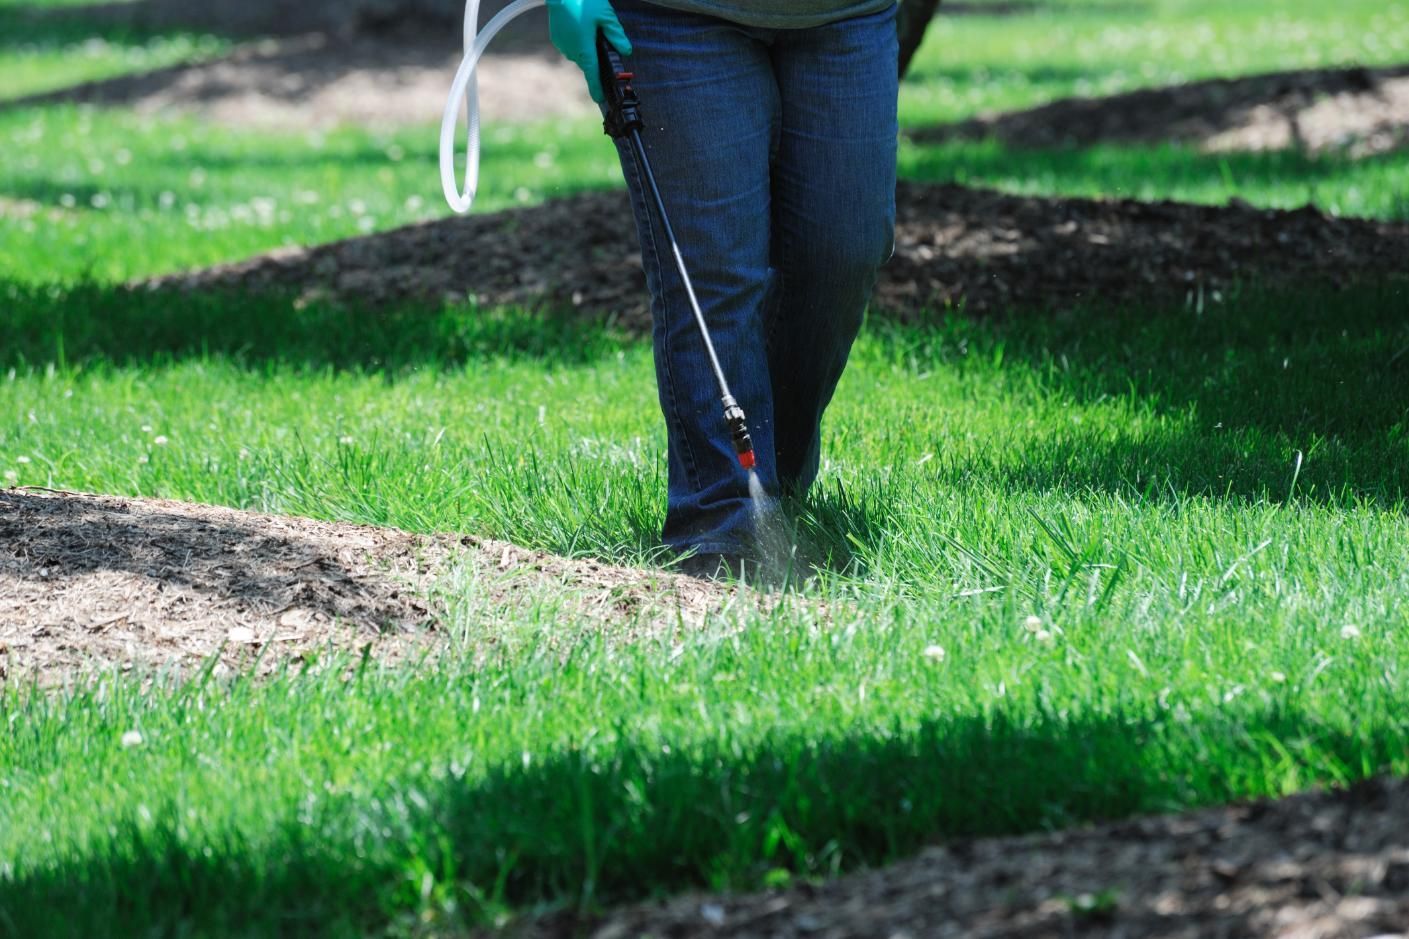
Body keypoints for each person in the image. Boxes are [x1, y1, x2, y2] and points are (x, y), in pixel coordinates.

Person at [547, 0, 899, 577]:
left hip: (848, 14)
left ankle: (773, 486)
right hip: (674, 16)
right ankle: (723, 533)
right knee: (711, 273)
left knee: (842, 253)